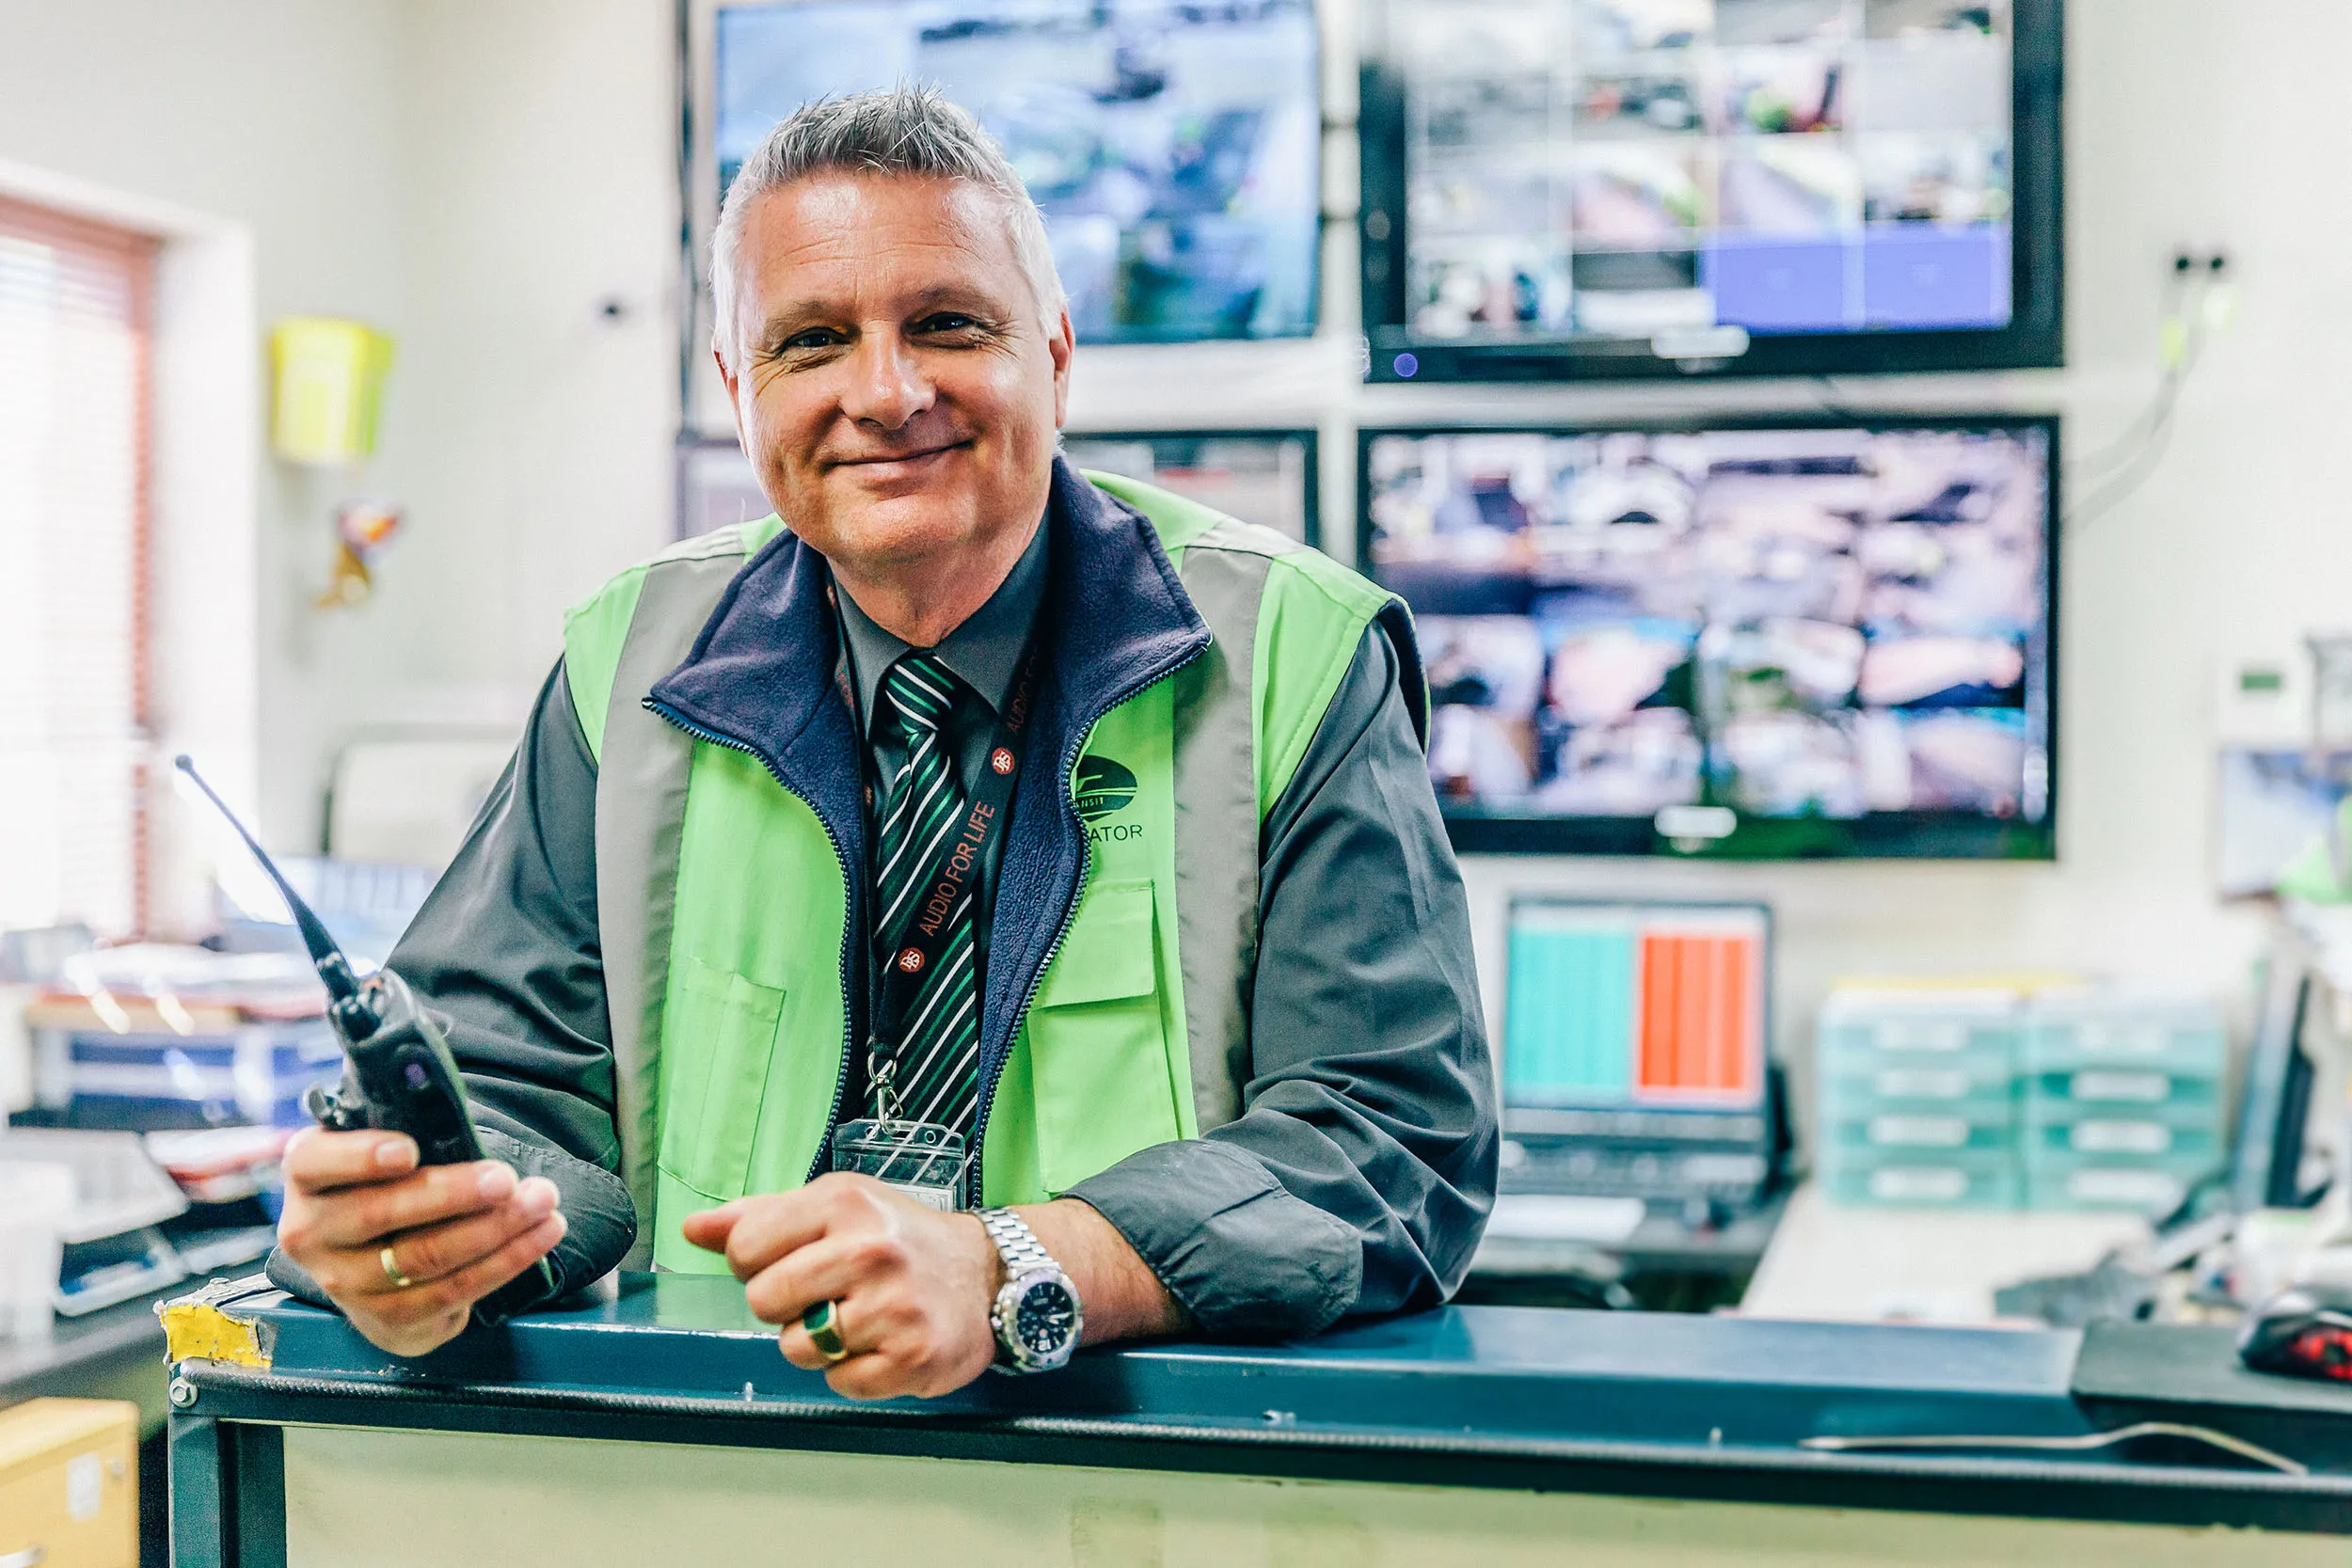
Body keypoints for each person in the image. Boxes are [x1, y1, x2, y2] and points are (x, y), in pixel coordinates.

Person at [269, 87, 1496, 1400]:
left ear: (1059, 354)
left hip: (1141, 1491)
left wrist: (1019, 1262)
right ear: (741, 391)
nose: (886, 390)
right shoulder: (624, 661)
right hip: (726, 1482)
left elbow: (1387, 1137)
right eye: (810, 342)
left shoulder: (1294, 653)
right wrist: (428, 1242)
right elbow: (500, 1085)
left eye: (948, 324)